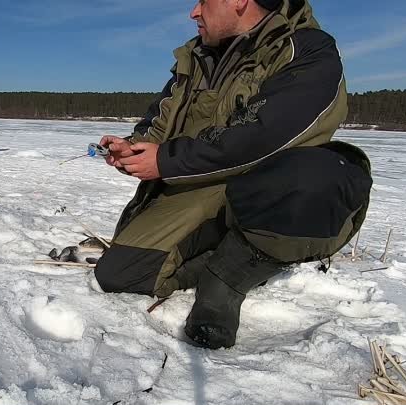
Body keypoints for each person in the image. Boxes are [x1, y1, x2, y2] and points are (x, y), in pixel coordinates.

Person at [94, 0, 373, 349]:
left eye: (202, 2)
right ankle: (229, 250)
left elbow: (264, 134)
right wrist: (134, 148)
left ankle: (228, 276)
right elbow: (160, 121)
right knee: (119, 273)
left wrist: (166, 161)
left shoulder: (306, 50)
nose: (193, 12)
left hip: (271, 189)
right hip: (203, 181)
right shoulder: (195, 55)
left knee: (317, 176)